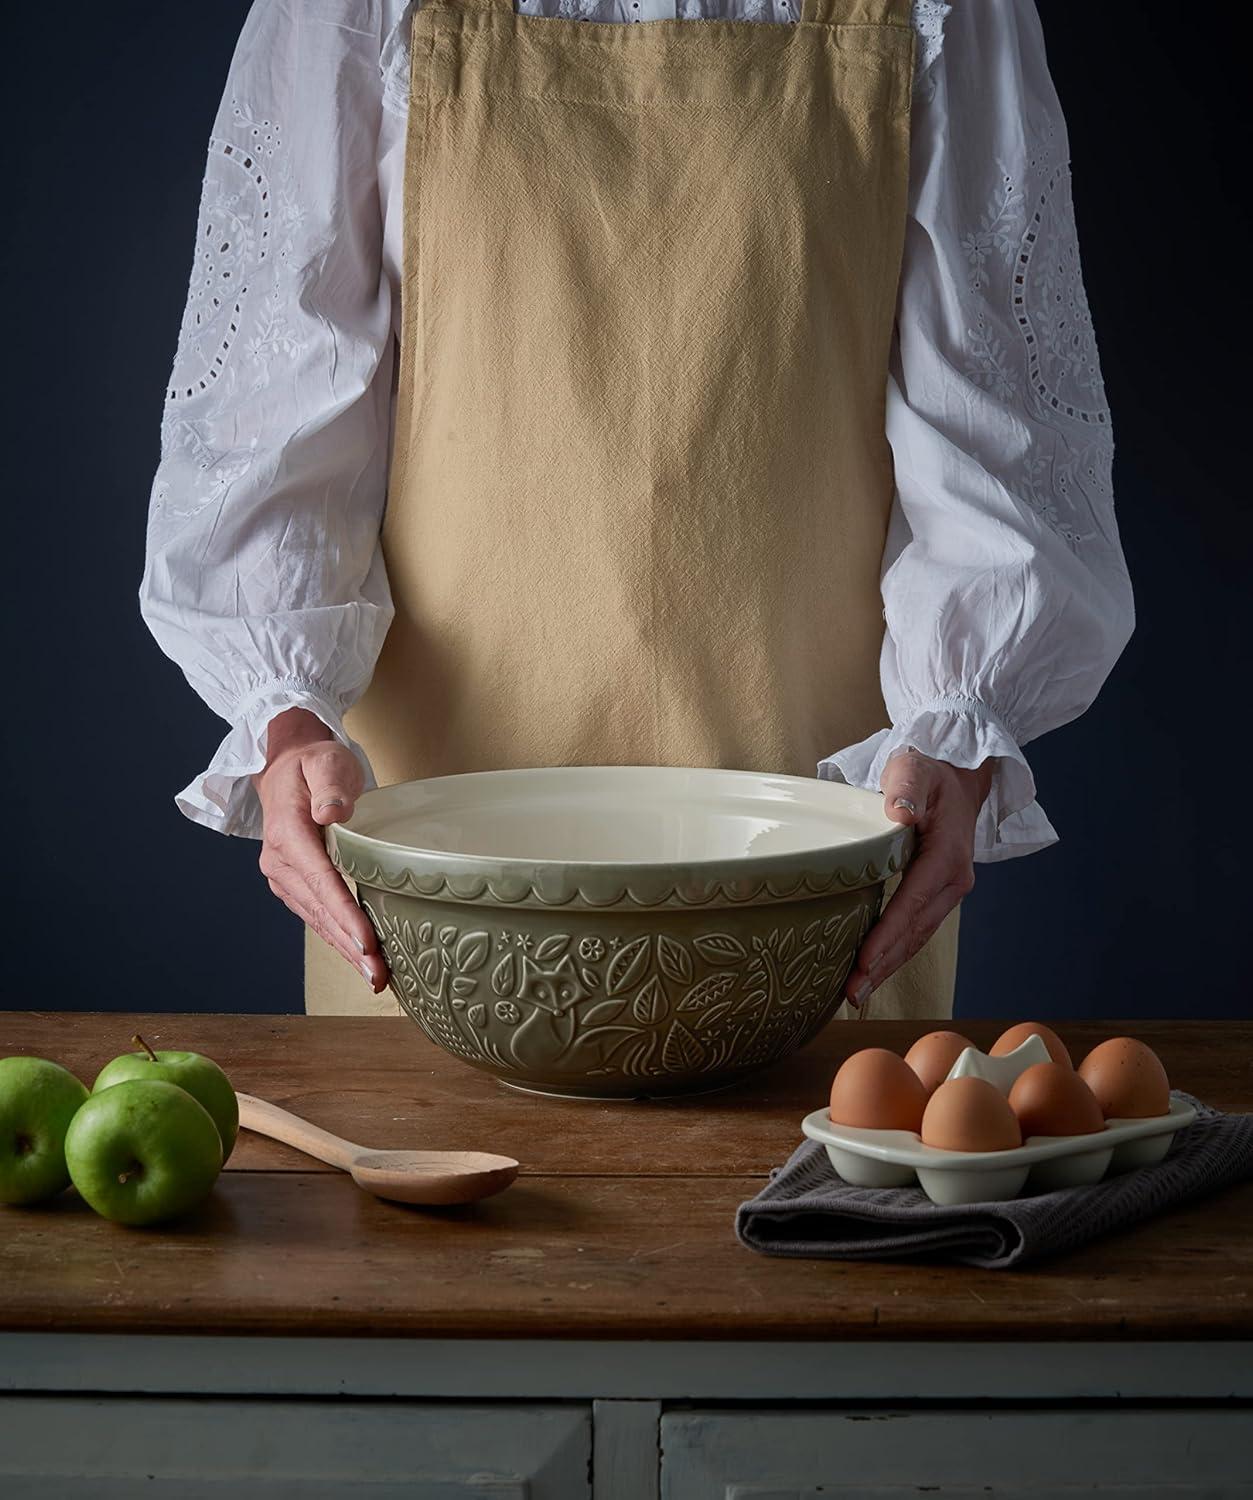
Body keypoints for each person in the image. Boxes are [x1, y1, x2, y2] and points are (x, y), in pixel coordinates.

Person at [139, 0, 1134, 1023]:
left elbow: (996, 424)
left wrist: (959, 739)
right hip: (432, 883)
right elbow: (271, 416)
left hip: (817, 871)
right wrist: (286, 720)